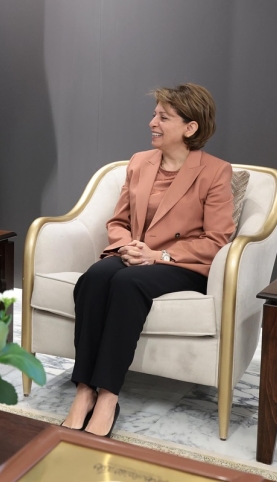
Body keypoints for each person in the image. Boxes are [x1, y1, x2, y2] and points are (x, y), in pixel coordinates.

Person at [61, 83, 235, 437]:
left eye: (163, 117)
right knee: (94, 278)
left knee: (127, 284)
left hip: (181, 265)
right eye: (154, 114)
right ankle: (84, 390)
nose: (152, 122)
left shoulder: (215, 172)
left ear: (190, 127)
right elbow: (118, 221)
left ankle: (108, 395)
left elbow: (217, 239)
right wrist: (127, 246)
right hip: (136, 254)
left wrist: (158, 255)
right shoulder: (140, 162)